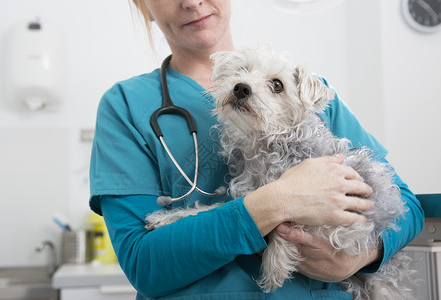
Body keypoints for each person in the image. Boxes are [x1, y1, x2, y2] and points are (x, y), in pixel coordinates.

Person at [89, 0, 424, 299]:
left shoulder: (311, 103)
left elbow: (406, 207)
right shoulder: (124, 107)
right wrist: (277, 200)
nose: (191, 2)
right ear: (142, 5)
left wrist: (361, 255)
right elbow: (144, 265)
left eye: (274, 85)